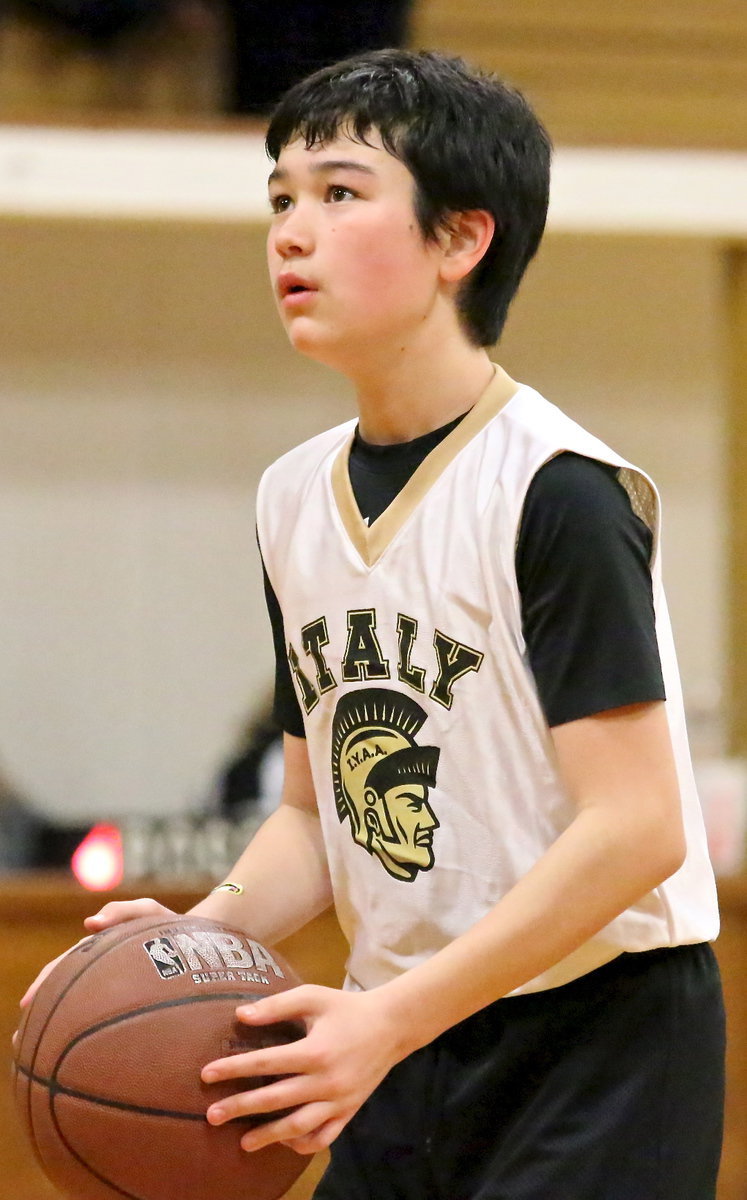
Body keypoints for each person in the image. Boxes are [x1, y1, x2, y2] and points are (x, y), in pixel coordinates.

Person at [20, 49, 725, 1199]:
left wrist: (389, 1016)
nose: (292, 232)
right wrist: (200, 939)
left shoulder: (559, 490)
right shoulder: (292, 498)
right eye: (281, 199)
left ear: (462, 239)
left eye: (341, 193)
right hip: (400, 1029)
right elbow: (312, 814)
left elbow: (639, 826)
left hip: (597, 1043)